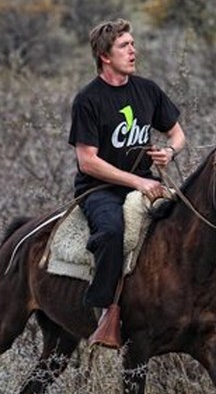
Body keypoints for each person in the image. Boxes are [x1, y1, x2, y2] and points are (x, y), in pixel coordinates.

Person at [68, 18, 185, 330]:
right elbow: (87, 162)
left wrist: (169, 152)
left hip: (146, 184)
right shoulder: (88, 100)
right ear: (106, 56)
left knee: (186, 223)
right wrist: (139, 181)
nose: (133, 51)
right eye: (124, 46)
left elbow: (178, 134)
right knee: (110, 233)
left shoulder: (147, 90)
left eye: (133, 44)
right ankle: (105, 310)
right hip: (99, 190)